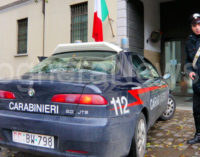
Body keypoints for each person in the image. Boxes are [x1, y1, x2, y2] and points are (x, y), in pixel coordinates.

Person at [186, 13, 200, 144]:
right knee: (196, 110)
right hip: (197, 83)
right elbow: (188, 61)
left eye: (199, 24)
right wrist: (189, 71)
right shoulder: (189, 41)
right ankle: (198, 134)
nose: (197, 27)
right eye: (194, 25)